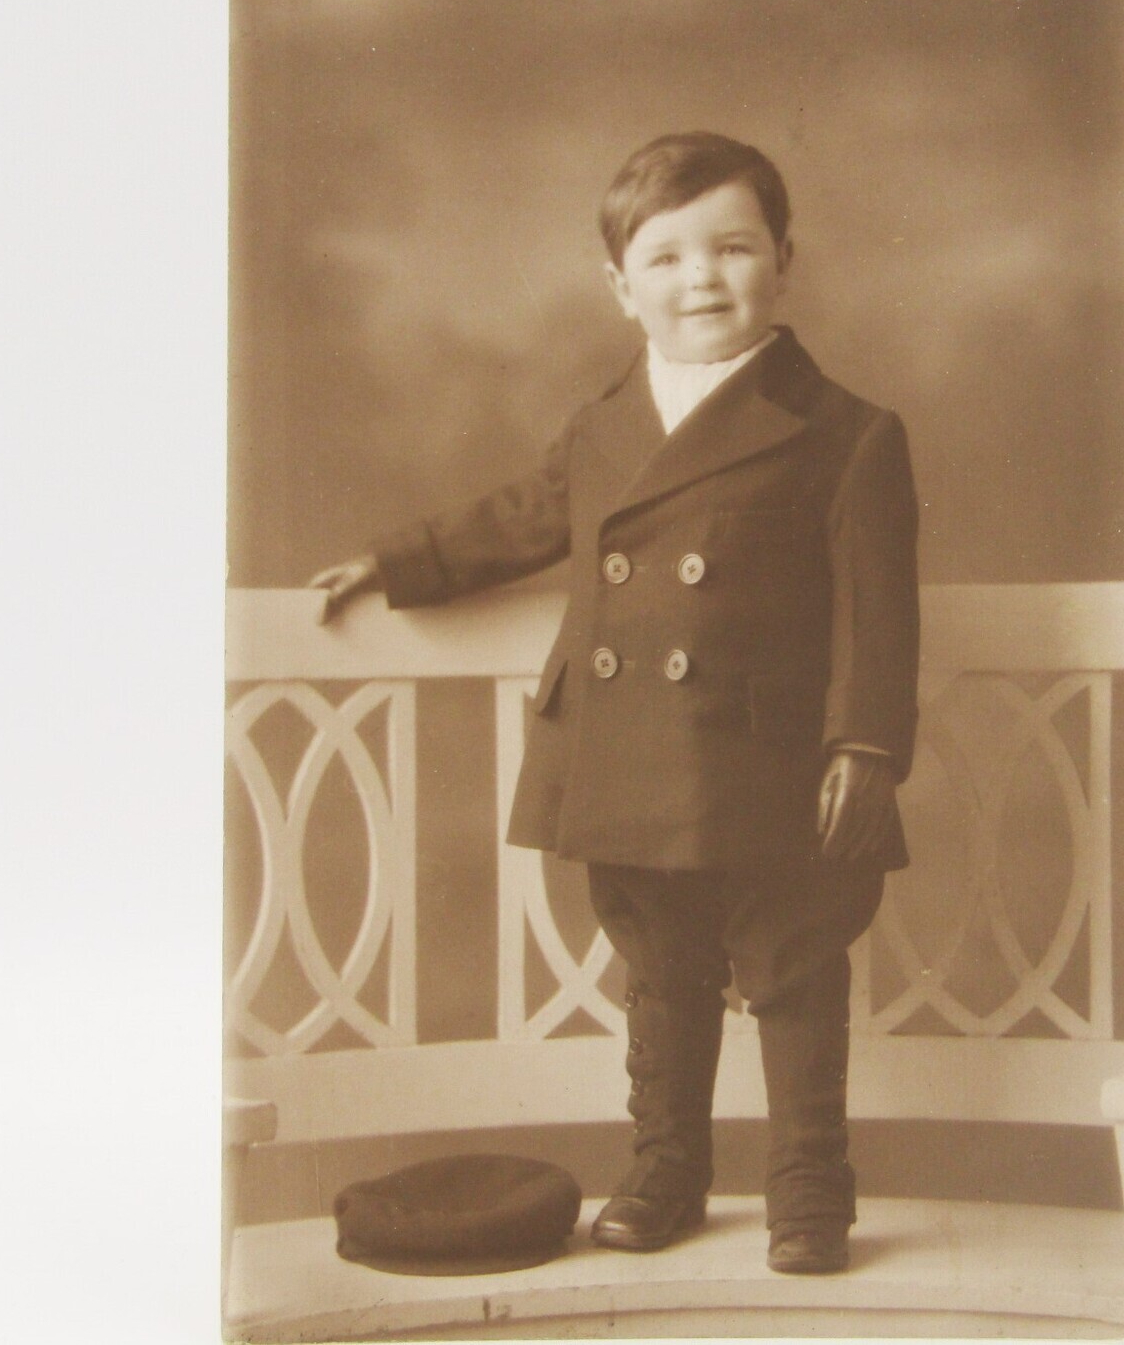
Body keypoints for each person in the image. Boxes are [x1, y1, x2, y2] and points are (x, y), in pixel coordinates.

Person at [311, 132, 920, 1275]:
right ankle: (667, 1171)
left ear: (783, 260)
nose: (702, 278)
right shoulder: (603, 426)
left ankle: (809, 1194)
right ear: (620, 286)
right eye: (668, 256)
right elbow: (520, 517)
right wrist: (398, 564)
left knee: (793, 971)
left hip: (772, 762)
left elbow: (880, 616)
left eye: (733, 247)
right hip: (627, 755)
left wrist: (868, 746)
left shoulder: (846, 432)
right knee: (662, 969)